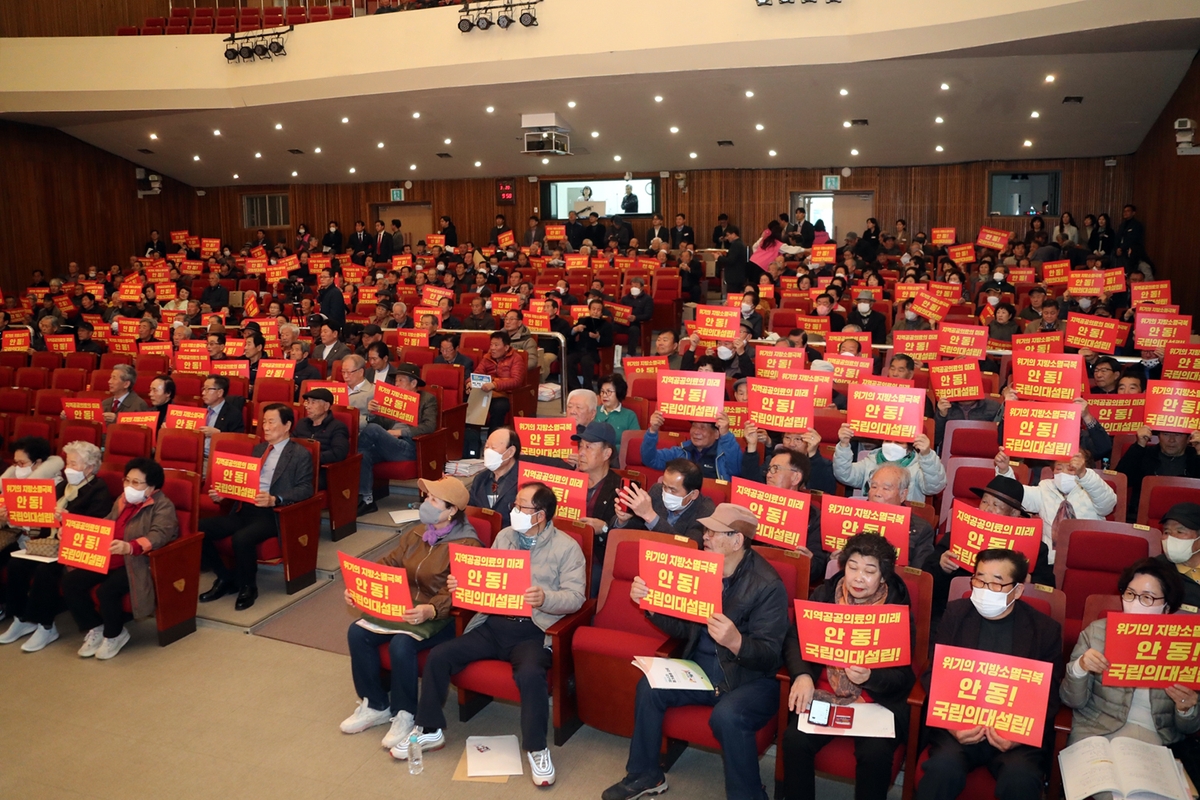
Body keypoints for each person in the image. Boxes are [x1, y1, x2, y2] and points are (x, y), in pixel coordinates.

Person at [402, 483, 586, 787]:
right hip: (493, 623)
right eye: (514, 504)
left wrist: (546, 597)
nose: (514, 510)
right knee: (440, 655)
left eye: (521, 506)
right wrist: (462, 586)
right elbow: (487, 579)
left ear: (539, 514)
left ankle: (537, 749)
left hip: (533, 629)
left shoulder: (566, 547)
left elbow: (576, 596)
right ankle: (431, 729)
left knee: (530, 675)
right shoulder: (504, 537)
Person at [604, 504, 787, 800]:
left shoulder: (767, 585)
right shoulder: (700, 568)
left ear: (737, 540)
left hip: (748, 679)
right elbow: (681, 629)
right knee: (649, 685)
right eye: (705, 530)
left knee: (727, 716)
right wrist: (650, 604)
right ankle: (646, 774)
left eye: (714, 532)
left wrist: (736, 641)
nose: (706, 537)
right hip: (701, 669)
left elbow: (769, 656)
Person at [339, 478, 483, 744]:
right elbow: (388, 564)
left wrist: (430, 610)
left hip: (442, 617)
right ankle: (376, 704)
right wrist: (361, 588)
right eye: (427, 497)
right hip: (405, 607)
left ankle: (405, 712)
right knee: (357, 633)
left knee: (401, 645)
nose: (426, 503)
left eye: (434, 500)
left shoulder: (468, 545)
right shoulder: (416, 533)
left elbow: (457, 592)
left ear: (452, 510)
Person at [916, 548, 1064, 800]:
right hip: (959, 728)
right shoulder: (956, 614)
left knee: (1021, 779)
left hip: (1013, 735)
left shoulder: (1044, 629)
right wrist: (951, 723)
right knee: (942, 769)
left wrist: (1018, 736)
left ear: (1017, 590)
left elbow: (1049, 693)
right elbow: (935, 673)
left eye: (996, 583)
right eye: (979, 579)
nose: (984, 589)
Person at [782, 533, 916, 800]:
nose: (858, 577)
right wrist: (802, 675)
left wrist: (871, 676)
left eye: (869, 571)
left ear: (883, 576)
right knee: (795, 740)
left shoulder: (896, 609)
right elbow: (794, 638)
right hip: (824, 695)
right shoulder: (825, 594)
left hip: (875, 701)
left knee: (875, 753)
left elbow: (902, 678)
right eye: (852, 567)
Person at [1061, 557, 1200, 783]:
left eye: (1147, 597)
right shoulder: (1096, 633)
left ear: (1167, 606)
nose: (1135, 602)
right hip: (1097, 731)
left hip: (1156, 740)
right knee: (1110, 790)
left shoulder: (1184, 643)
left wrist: (1186, 707)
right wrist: (1080, 668)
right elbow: (1071, 700)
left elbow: (1190, 726)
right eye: (1129, 594)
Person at [59, 458, 179, 660]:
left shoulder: (163, 506)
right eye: (127, 480)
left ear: (151, 487)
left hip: (140, 560)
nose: (129, 486)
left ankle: (114, 634)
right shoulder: (123, 500)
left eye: (136, 483)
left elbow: (159, 535)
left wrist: (130, 546)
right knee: (71, 582)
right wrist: (72, 531)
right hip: (111, 554)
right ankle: (95, 627)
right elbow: (107, 523)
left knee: (108, 590)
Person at [198, 404, 314, 611]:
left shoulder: (299, 454)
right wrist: (225, 493)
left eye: (271, 422)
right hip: (246, 508)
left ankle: (248, 587)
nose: (266, 427)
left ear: (287, 425)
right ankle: (225, 578)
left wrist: (275, 499)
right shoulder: (258, 449)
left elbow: (306, 489)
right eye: (263, 422)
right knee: (201, 529)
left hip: (272, 514)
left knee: (241, 538)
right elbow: (245, 481)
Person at [0, 441, 114, 652]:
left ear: (89, 467)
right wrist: (15, 515)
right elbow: (42, 518)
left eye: (73, 463)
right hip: (48, 543)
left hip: (73, 547)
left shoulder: (98, 490)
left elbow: (95, 525)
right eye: (67, 462)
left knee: (46, 571)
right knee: (16, 564)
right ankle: (21, 617)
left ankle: (45, 625)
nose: (67, 468)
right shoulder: (63, 486)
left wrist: (69, 520)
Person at [993, 448, 1116, 580]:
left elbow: (1108, 504)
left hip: (1087, 560)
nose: (1063, 473)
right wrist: (1004, 471)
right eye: (1058, 468)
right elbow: (1016, 495)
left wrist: (1085, 475)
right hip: (1050, 561)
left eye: (1070, 468)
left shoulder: (1093, 491)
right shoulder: (1045, 488)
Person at [357, 364, 438, 515]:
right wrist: (373, 413)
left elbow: (429, 426)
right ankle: (366, 500)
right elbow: (380, 424)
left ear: (413, 383)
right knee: (363, 454)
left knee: (370, 433)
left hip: (409, 446)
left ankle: (348, 475)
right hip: (389, 444)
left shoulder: (427, 399)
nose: (397, 384)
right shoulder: (393, 399)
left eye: (401, 380)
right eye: (396, 381)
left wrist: (400, 432)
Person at [833, 424, 947, 503]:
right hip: (870, 513)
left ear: (909, 447)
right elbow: (844, 475)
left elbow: (935, 487)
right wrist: (843, 445)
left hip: (903, 517)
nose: (892, 445)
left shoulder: (918, 466)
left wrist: (927, 455)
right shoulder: (871, 460)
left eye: (898, 442)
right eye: (888, 441)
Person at [612, 457, 714, 545]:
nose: (666, 492)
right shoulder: (657, 491)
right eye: (664, 486)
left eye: (673, 490)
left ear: (693, 494)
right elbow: (639, 529)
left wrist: (650, 516)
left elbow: (691, 545)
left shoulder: (705, 510)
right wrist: (623, 520)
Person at [865, 462, 938, 573]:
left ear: (903, 495)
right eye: (874, 487)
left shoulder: (921, 529)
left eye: (886, 488)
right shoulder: (851, 515)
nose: (877, 493)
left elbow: (915, 575)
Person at [1116, 425, 1200, 521]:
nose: (1171, 440)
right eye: (1165, 434)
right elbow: (1120, 480)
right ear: (1159, 436)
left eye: (1178, 435)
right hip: (1143, 518)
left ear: (1189, 438)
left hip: (1190, 521)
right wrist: (1139, 445)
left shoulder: (1195, 458)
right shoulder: (1144, 454)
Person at [641, 410, 742, 481]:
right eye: (694, 426)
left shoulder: (724, 455)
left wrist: (726, 434)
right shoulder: (681, 452)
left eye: (703, 427)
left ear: (716, 433)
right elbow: (650, 460)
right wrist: (653, 430)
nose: (696, 432)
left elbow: (737, 470)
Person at [293, 387, 350, 480]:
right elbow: (290, 444)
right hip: (297, 468)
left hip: (320, 472)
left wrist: (310, 458)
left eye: (313, 402)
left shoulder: (337, 427)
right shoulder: (301, 423)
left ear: (326, 406)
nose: (308, 406)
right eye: (307, 402)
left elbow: (338, 453)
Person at [476, 330, 528, 430]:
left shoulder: (516, 359)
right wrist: (469, 382)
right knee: (467, 403)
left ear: (506, 347)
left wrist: (494, 384)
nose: (492, 348)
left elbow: (516, 381)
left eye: (496, 345)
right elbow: (477, 373)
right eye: (491, 345)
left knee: (498, 407)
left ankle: (492, 439)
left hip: (506, 395)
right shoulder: (487, 357)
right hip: (486, 393)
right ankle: (472, 441)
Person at [596, 374, 640, 443]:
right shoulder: (594, 411)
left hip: (619, 453)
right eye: (602, 391)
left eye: (609, 392)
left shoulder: (629, 416)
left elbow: (634, 442)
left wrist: (609, 450)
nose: (604, 395)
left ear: (619, 392)